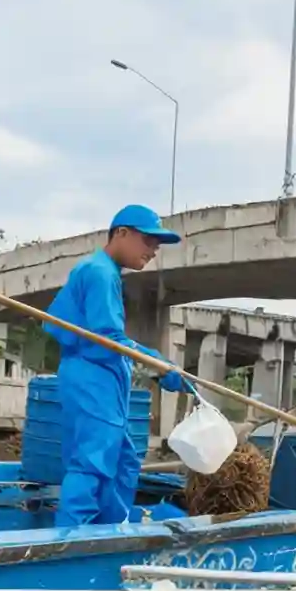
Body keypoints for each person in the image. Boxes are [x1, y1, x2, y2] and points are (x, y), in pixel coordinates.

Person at [44, 204, 191, 527]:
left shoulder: (105, 272)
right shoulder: (99, 272)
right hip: (92, 379)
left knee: (123, 462)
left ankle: (111, 530)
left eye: (157, 245)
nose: (153, 250)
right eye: (148, 240)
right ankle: (69, 543)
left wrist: (156, 364)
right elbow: (106, 338)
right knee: (91, 463)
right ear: (121, 233)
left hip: (105, 380)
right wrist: (157, 365)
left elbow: (108, 339)